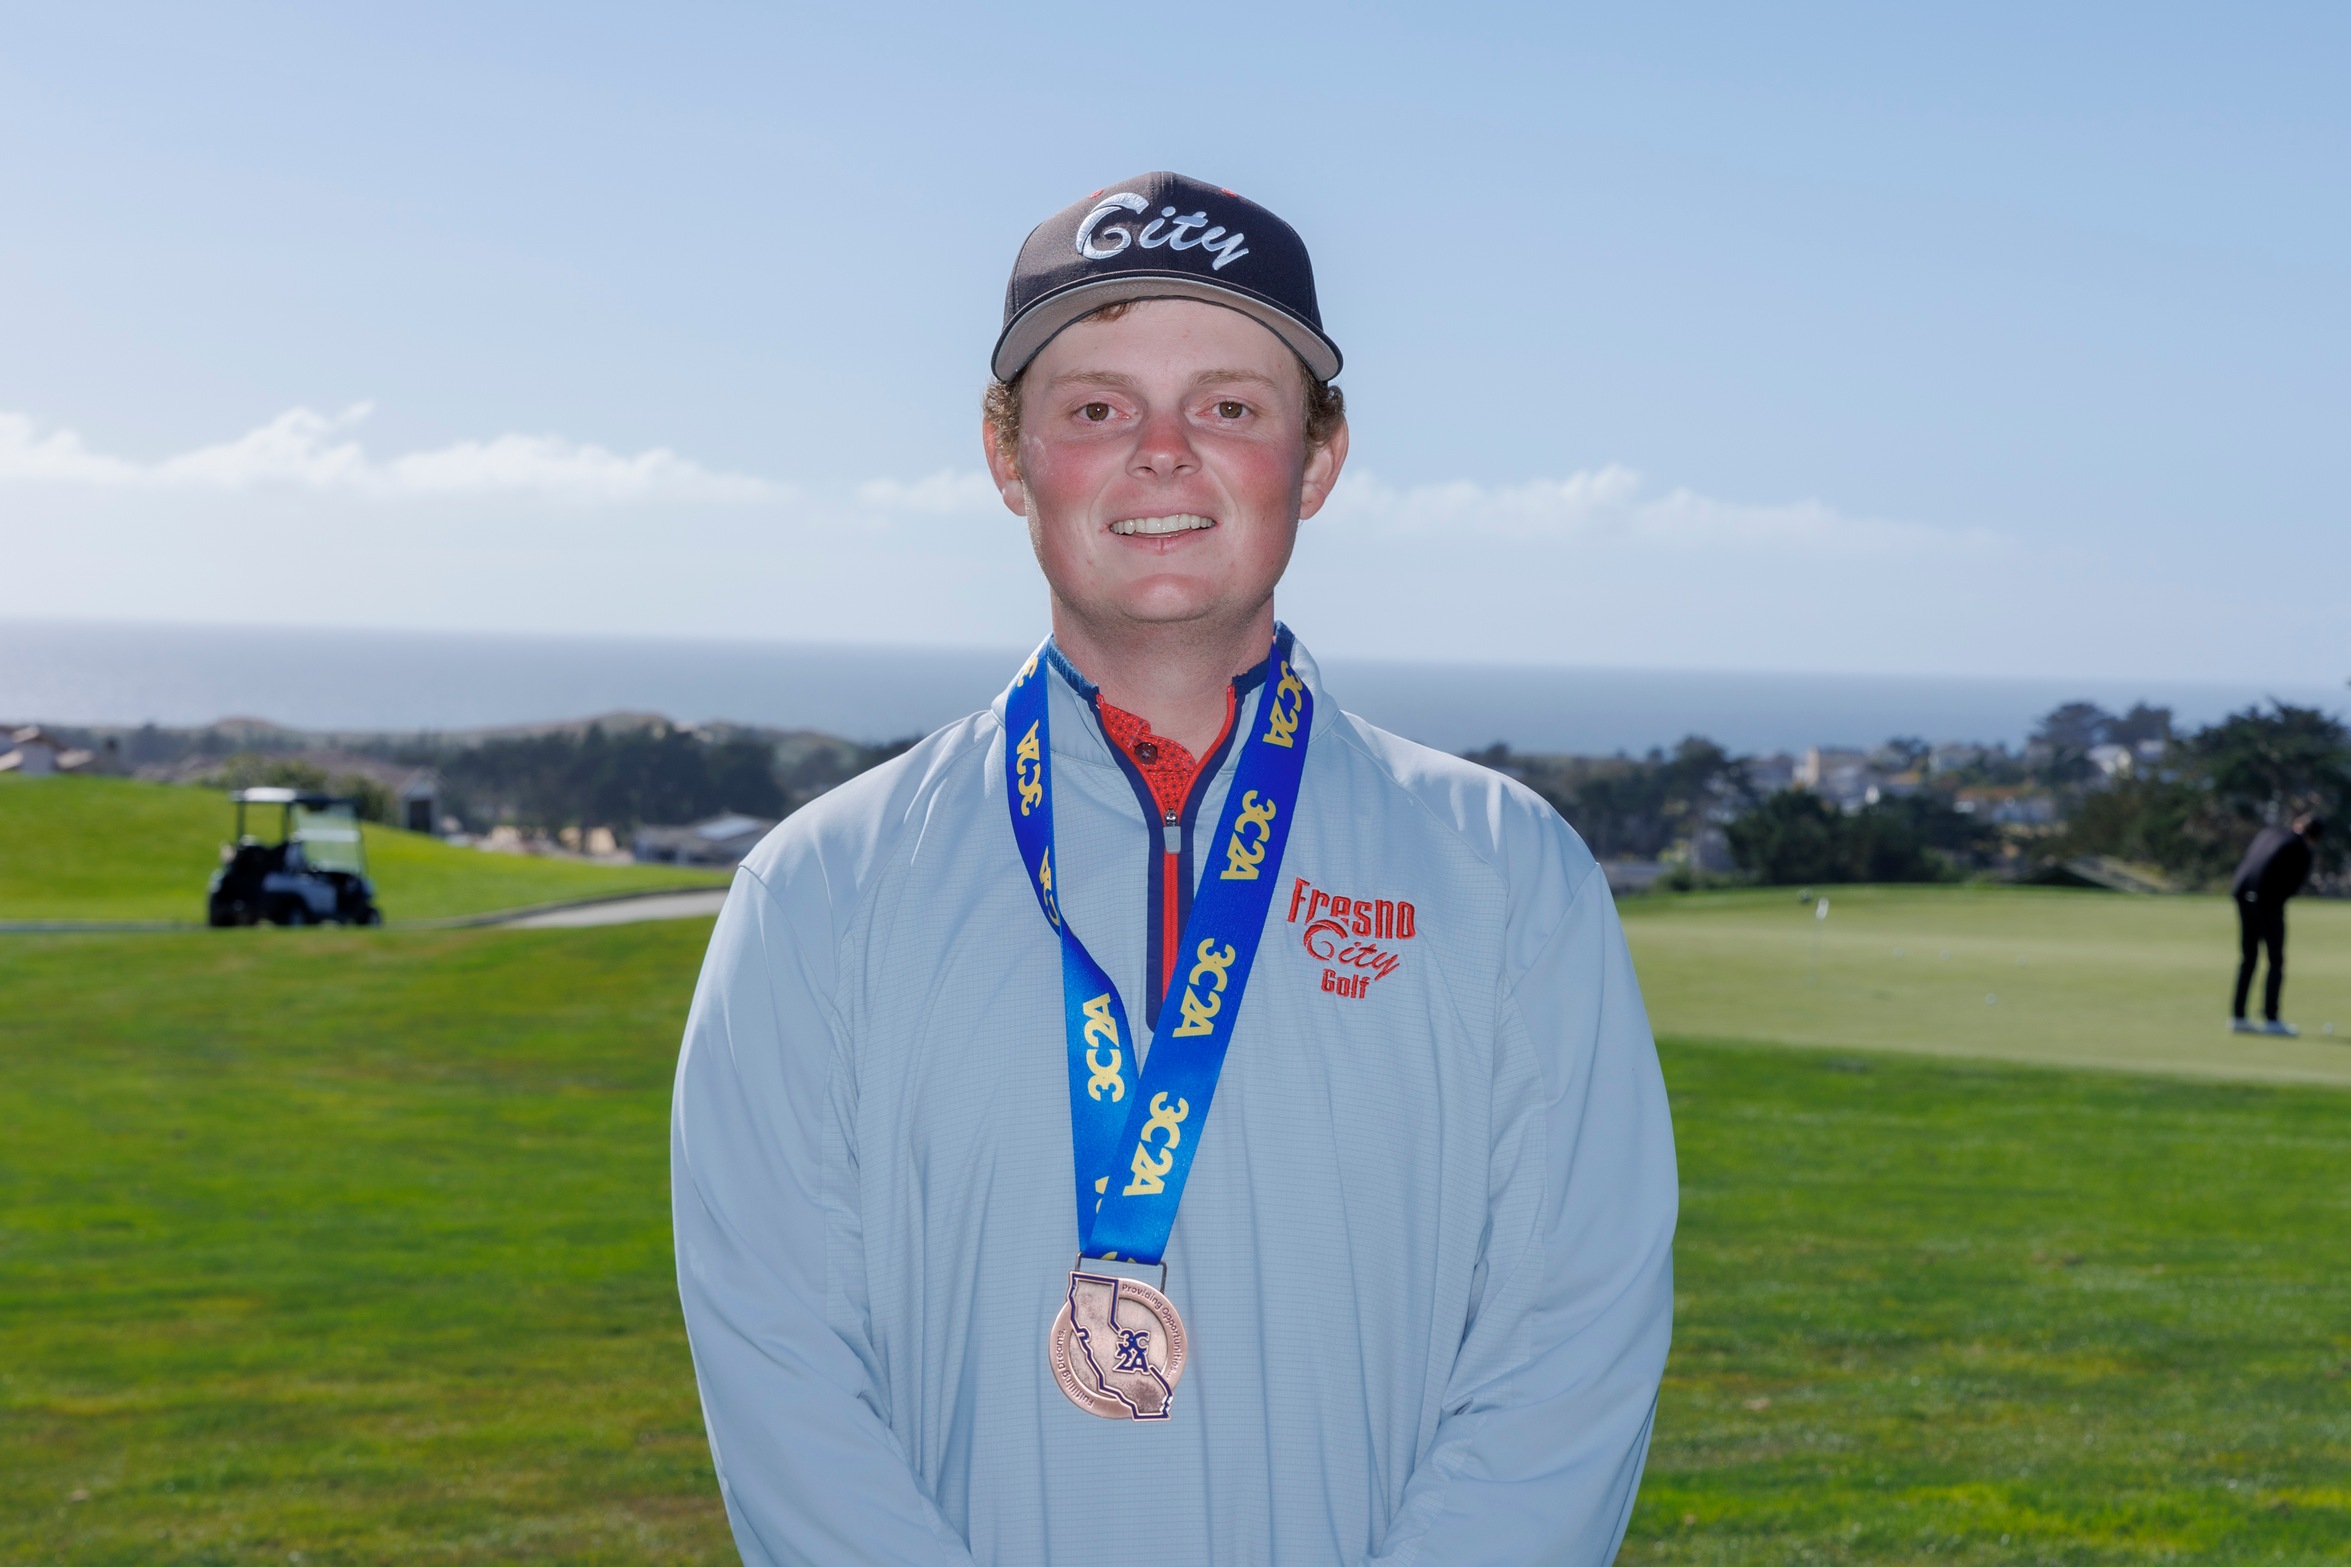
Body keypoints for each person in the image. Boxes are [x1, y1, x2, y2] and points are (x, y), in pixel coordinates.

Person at [670, 171, 1678, 1566]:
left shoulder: (1508, 879)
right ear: (1007, 457)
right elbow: (785, 1380)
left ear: (1315, 461)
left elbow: (1565, 1352)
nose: (1160, 454)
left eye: (1228, 406)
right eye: (1096, 408)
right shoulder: (816, 893)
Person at [2230, 812, 2325, 1036]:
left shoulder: (2269, 833)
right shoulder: (2301, 849)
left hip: (2242, 895)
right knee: (2275, 960)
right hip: (2267, 903)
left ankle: (2238, 1017)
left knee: (2248, 958)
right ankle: (2271, 1019)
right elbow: (2292, 887)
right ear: (2315, 837)